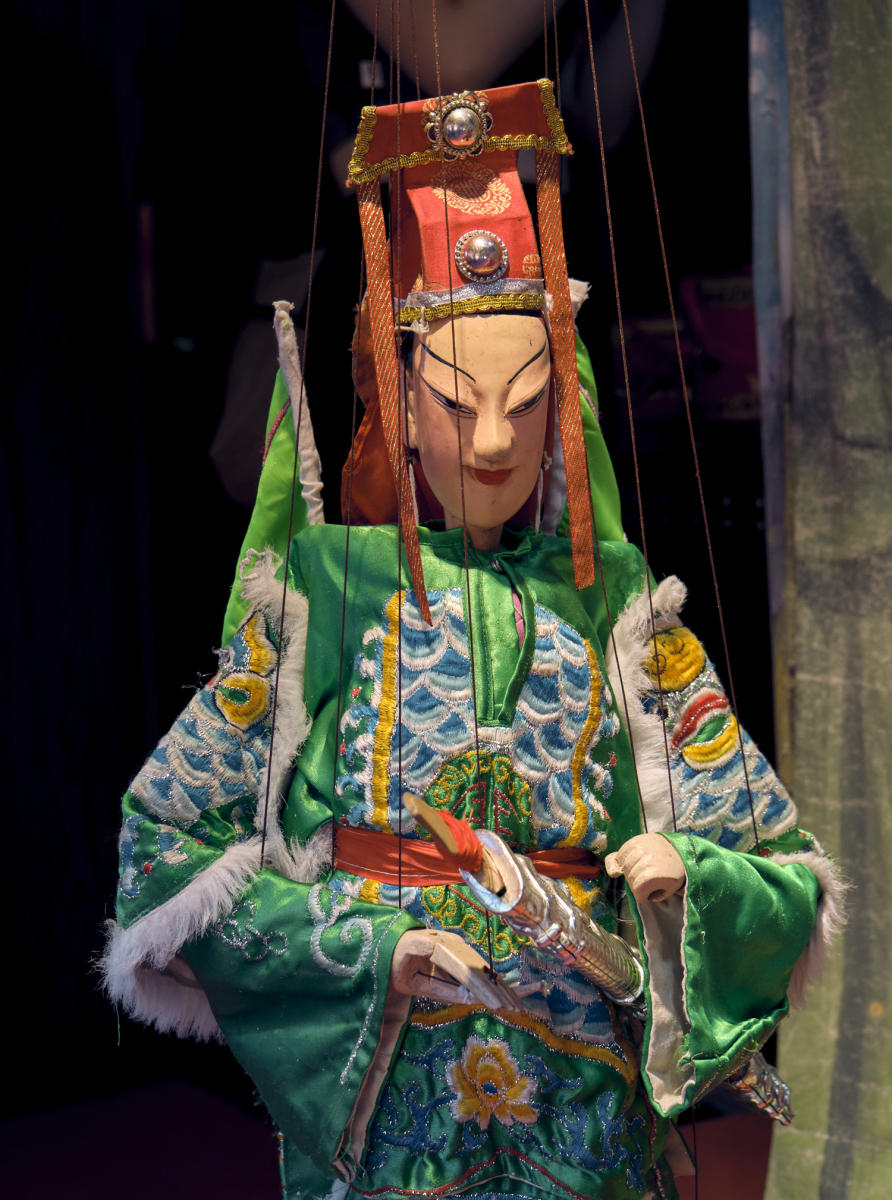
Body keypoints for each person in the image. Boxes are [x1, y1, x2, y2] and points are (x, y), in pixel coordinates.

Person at [103, 81, 842, 1200]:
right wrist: (367, 951)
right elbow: (168, 845)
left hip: (581, 1070)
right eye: (457, 403)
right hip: (396, 1064)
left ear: (565, 409)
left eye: (528, 401)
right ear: (400, 404)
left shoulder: (616, 607)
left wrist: (683, 876)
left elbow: (779, 865)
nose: (495, 440)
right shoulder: (324, 595)